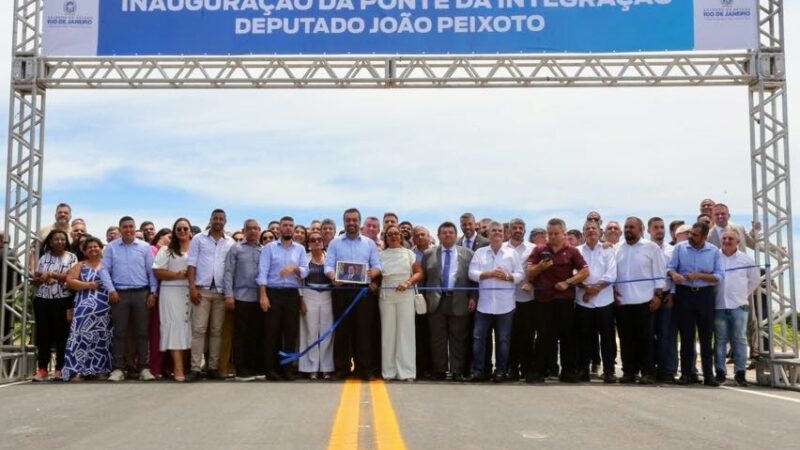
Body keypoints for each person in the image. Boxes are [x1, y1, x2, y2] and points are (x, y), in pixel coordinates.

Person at [526, 218, 589, 383]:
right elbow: (529, 272)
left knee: (567, 337)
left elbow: (584, 271)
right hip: (543, 301)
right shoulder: (539, 250)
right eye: (550, 233)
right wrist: (541, 267)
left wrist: (568, 282)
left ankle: (568, 372)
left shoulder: (573, 251)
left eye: (556, 233)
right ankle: (538, 371)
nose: (552, 236)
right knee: (543, 337)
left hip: (565, 300)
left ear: (564, 234)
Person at [324, 208, 382, 380]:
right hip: (342, 290)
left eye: (354, 220)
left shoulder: (369, 243)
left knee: (363, 332)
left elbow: (378, 265)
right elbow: (328, 265)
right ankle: (341, 369)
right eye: (348, 220)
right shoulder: (335, 243)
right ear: (344, 222)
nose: (351, 223)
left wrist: (373, 272)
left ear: (359, 222)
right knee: (342, 331)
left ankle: (364, 369)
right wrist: (332, 276)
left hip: (363, 293)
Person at [100, 216, 158, 382]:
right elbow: (104, 270)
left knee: (142, 333)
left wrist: (153, 292)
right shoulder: (111, 248)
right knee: (119, 333)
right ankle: (118, 368)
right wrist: (111, 289)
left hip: (142, 293)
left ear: (135, 228)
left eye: (131, 226)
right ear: (120, 229)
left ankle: (144, 368)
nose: (128, 229)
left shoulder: (144, 247)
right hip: (119, 294)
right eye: (125, 227)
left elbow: (151, 271)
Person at [668, 221, 724, 387]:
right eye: (690, 234)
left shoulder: (714, 251)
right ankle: (686, 374)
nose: (691, 237)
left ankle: (709, 375)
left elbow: (719, 276)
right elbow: (670, 268)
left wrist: (700, 276)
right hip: (684, 295)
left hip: (705, 297)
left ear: (704, 236)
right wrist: (674, 275)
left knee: (706, 338)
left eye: (695, 235)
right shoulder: (680, 248)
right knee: (686, 337)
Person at [468, 222, 524, 382]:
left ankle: (501, 371)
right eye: (494, 231)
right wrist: (489, 274)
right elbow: (472, 273)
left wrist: (508, 277)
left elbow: (520, 274)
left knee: (503, 340)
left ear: (505, 233)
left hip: (505, 305)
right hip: (484, 304)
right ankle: (479, 371)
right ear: (489, 234)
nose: (497, 233)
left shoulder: (511, 253)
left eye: (500, 231)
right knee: (478, 338)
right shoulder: (480, 252)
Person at [421, 222, 476, 382]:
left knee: (458, 337)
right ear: (438, 236)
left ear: (456, 235)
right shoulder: (428, 254)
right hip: (435, 301)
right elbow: (423, 279)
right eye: (444, 233)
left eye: (451, 232)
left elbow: (473, 279)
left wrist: (473, 297)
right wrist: (423, 298)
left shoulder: (468, 254)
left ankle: (457, 370)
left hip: (459, 299)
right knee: (437, 338)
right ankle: (440, 369)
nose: (447, 235)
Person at [614, 217, 665, 385]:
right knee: (626, 339)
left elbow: (659, 274)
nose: (628, 230)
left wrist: (658, 296)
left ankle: (648, 372)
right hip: (622, 302)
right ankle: (629, 372)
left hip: (645, 301)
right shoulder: (616, 249)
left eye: (632, 227)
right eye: (626, 227)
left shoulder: (651, 248)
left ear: (641, 229)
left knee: (645, 340)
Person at [258, 216, 309, 381]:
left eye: (290, 226)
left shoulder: (300, 249)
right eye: (285, 225)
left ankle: (287, 369)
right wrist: (263, 295)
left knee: (290, 333)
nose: (288, 228)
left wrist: (295, 268)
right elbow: (262, 273)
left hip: (292, 295)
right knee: (271, 333)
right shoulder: (269, 248)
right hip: (273, 293)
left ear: (294, 229)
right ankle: (271, 369)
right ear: (279, 228)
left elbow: (305, 271)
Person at [187, 209, 235, 380]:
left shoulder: (230, 242)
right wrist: (192, 287)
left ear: (225, 221)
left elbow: (231, 268)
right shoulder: (199, 239)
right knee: (199, 330)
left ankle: (213, 368)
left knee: (217, 331)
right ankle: (195, 368)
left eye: (221, 219)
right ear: (210, 220)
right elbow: (191, 264)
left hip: (221, 292)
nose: (218, 221)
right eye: (215, 218)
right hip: (202, 290)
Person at [61, 236, 112, 381]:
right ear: (84, 251)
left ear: (101, 248)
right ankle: (76, 370)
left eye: (96, 246)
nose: (93, 249)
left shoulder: (107, 264)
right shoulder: (80, 265)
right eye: (89, 247)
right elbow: (69, 281)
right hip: (84, 308)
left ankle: (100, 370)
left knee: (102, 338)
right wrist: (87, 285)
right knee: (80, 338)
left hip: (104, 309)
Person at [376, 225, 422, 381]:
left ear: (401, 236)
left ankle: (407, 372)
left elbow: (419, 273)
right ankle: (388, 372)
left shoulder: (409, 253)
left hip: (405, 294)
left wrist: (408, 283)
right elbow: (376, 274)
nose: (393, 236)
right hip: (387, 295)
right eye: (390, 234)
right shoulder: (380, 255)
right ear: (386, 237)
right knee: (388, 333)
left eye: (396, 233)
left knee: (406, 332)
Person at [31, 229, 77, 381]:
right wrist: (42, 279)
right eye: (56, 239)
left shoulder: (71, 257)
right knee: (43, 335)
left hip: (63, 299)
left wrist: (52, 275)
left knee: (62, 335)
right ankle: (42, 368)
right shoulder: (44, 258)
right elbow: (36, 278)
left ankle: (60, 368)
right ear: (50, 242)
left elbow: (72, 277)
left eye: (62, 239)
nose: (59, 242)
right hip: (43, 299)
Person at [715, 229, 759, 387]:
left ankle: (740, 373)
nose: (727, 241)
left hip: (738, 306)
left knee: (739, 340)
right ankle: (720, 372)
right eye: (724, 238)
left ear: (738, 242)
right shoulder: (715, 257)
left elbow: (754, 281)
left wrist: (741, 295)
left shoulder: (746, 260)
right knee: (720, 340)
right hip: (719, 305)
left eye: (730, 238)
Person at [575, 220, 618, 383]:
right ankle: (583, 370)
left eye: (594, 228)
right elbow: (574, 273)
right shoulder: (577, 251)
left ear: (600, 231)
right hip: (583, 302)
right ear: (583, 232)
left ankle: (609, 371)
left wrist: (593, 290)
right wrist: (586, 289)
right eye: (587, 228)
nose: (591, 231)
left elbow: (611, 274)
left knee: (607, 338)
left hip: (604, 301)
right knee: (584, 338)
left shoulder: (608, 250)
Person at [153, 218, 193, 382]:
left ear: (190, 231)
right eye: (179, 229)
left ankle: (190, 366)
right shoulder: (166, 250)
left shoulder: (197, 249)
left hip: (192, 292)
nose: (182, 231)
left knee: (189, 329)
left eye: (185, 228)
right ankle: (178, 368)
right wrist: (177, 275)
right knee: (175, 329)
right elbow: (158, 272)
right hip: (171, 293)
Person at [223, 219, 264, 382]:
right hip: (240, 296)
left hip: (258, 298)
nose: (253, 231)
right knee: (240, 334)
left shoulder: (264, 250)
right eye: (250, 229)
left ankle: (253, 366)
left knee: (255, 334)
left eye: (256, 229)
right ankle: (240, 368)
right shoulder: (236, 249)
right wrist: (229, 295)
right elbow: (228, 273)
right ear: (244, 231)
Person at [299, 231, 334, 380]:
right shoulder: (304, 259)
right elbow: (299, 281)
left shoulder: (330, 258)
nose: (317, 242)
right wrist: (300, 300)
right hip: (309, 295)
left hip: (327, 295)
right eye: (313, 240)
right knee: (310, 332)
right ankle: (311, 367)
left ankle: (326, 368)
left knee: (327, 333)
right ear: (309, 244)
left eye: (319, 239)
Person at [505, 218, 536, 381]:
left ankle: (527, 368)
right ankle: (512, 368)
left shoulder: (533, 249)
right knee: (510, 336)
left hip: (526, 298)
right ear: (509, 231)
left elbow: (539, 270)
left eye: (521, 228)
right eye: (514, 228)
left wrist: (531, 282)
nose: (518, 230)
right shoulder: (502, 248)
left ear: (524, 230)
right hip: (506, 299)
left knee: (527, 335)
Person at [647, 217, 678, 383]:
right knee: (649, 334)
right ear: (648, 230)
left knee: (666, 334)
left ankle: (667, 371)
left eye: (662, 227)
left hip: (667, 297)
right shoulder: (644, 248)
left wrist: (672, 294)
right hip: (648, 297)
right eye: (656, 227)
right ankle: (650, 369)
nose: (659, 230)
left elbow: (674, 272)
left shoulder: (672, 250)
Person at [148, 226, 172, 378]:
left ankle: (168, 367)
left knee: (170, 331)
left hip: (172, 292)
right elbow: (153, 274)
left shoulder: (172, 252)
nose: (171, 240)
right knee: (157, 333)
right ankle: (156, 368)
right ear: (160, 237)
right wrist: (153, 292)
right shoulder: (151, 250)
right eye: (169, 237)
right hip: (157, 293)